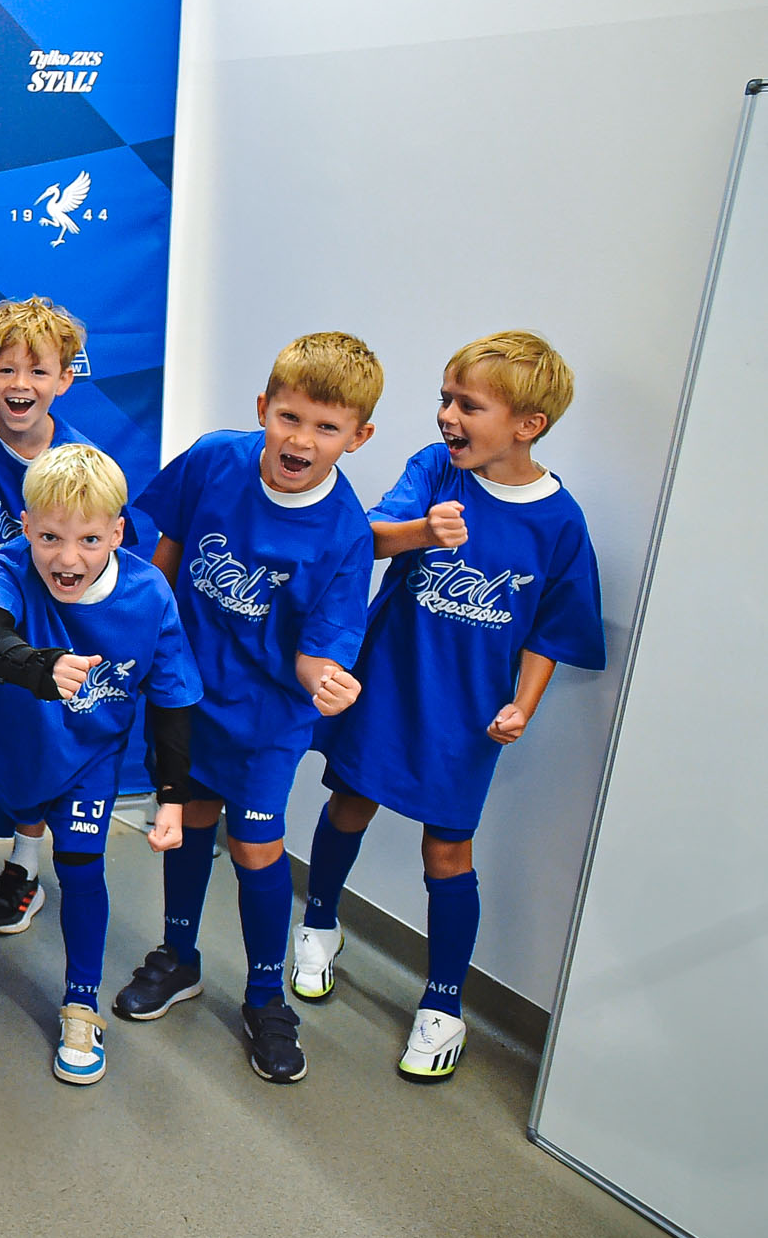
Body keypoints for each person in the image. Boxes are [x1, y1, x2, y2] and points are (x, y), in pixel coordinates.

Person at [299, 331, 604, 1083]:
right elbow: (367, 538)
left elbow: (550, 630)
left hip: (467, 712)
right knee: (350, 803)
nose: (447, 417)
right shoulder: (435, 470)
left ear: (527, 424)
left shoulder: (560, 522)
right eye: (445, 399)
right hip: (389, 681)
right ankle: (319, 923)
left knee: (447, 851)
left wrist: (522, 706)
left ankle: (443, 1003)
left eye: (468, 406)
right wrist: (422, 531)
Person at [109, 333, 380, 1085]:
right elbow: (165, 555)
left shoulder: (346, 533)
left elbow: (318, 653)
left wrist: (330, 681)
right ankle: (179, 956)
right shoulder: (213, 460)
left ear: (358, 437)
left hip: (269, 716)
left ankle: (266, 996)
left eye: (327, 427)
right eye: (290, 417)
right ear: (264, 408)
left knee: (257, 845)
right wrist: (140, 636)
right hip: (189, 692)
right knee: (191, 817)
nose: (302, 440)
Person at [0, 445, 200, 1089]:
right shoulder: (4, 566)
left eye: (90, 540)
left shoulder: (149, 595)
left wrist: (171, 796)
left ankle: (82, 1004)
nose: (68, 558)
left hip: (84, 763)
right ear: (26, 526)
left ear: (118, 533)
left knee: (82, 871)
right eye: (50, 537)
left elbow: (174, 700)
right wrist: (42, 667)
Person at [0, 297, 139, 930]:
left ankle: (24, 866)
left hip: (48, 633)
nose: (21, 384)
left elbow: (112, 552)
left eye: (38, 371)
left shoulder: (84, 460)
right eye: (7, 369)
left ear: (65, 379)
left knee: (37, 729)